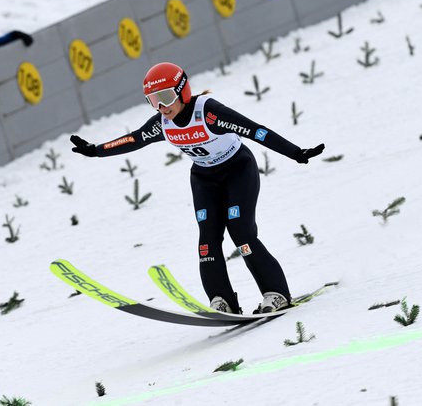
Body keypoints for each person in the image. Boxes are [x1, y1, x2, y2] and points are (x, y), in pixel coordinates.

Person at [70, 62, 325, 314]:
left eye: (166, 97)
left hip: (238, 170)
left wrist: (295, 152)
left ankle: (276, 293)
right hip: (204, 179)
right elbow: (135, 139)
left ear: (183, 91)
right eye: (152, 100)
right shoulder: (163, 123)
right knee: (207, 241)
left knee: (241, 232)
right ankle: (222, 301)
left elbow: (255, 131)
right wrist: (95, 151)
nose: (161, 107)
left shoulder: (209, 113)